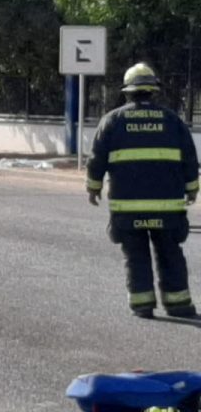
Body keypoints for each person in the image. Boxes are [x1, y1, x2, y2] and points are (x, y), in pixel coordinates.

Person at [87, 62, 198, 319]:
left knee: (136, 256)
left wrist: (93, 188)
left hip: (127, 207)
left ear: (127, 92)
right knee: (170, 254)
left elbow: (97, 159)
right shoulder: (172, 120)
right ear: (153, 91)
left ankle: (143, 304)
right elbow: (190, 159)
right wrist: (192, 189)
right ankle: (179, 304)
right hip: (167, 208)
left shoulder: (112, 121)